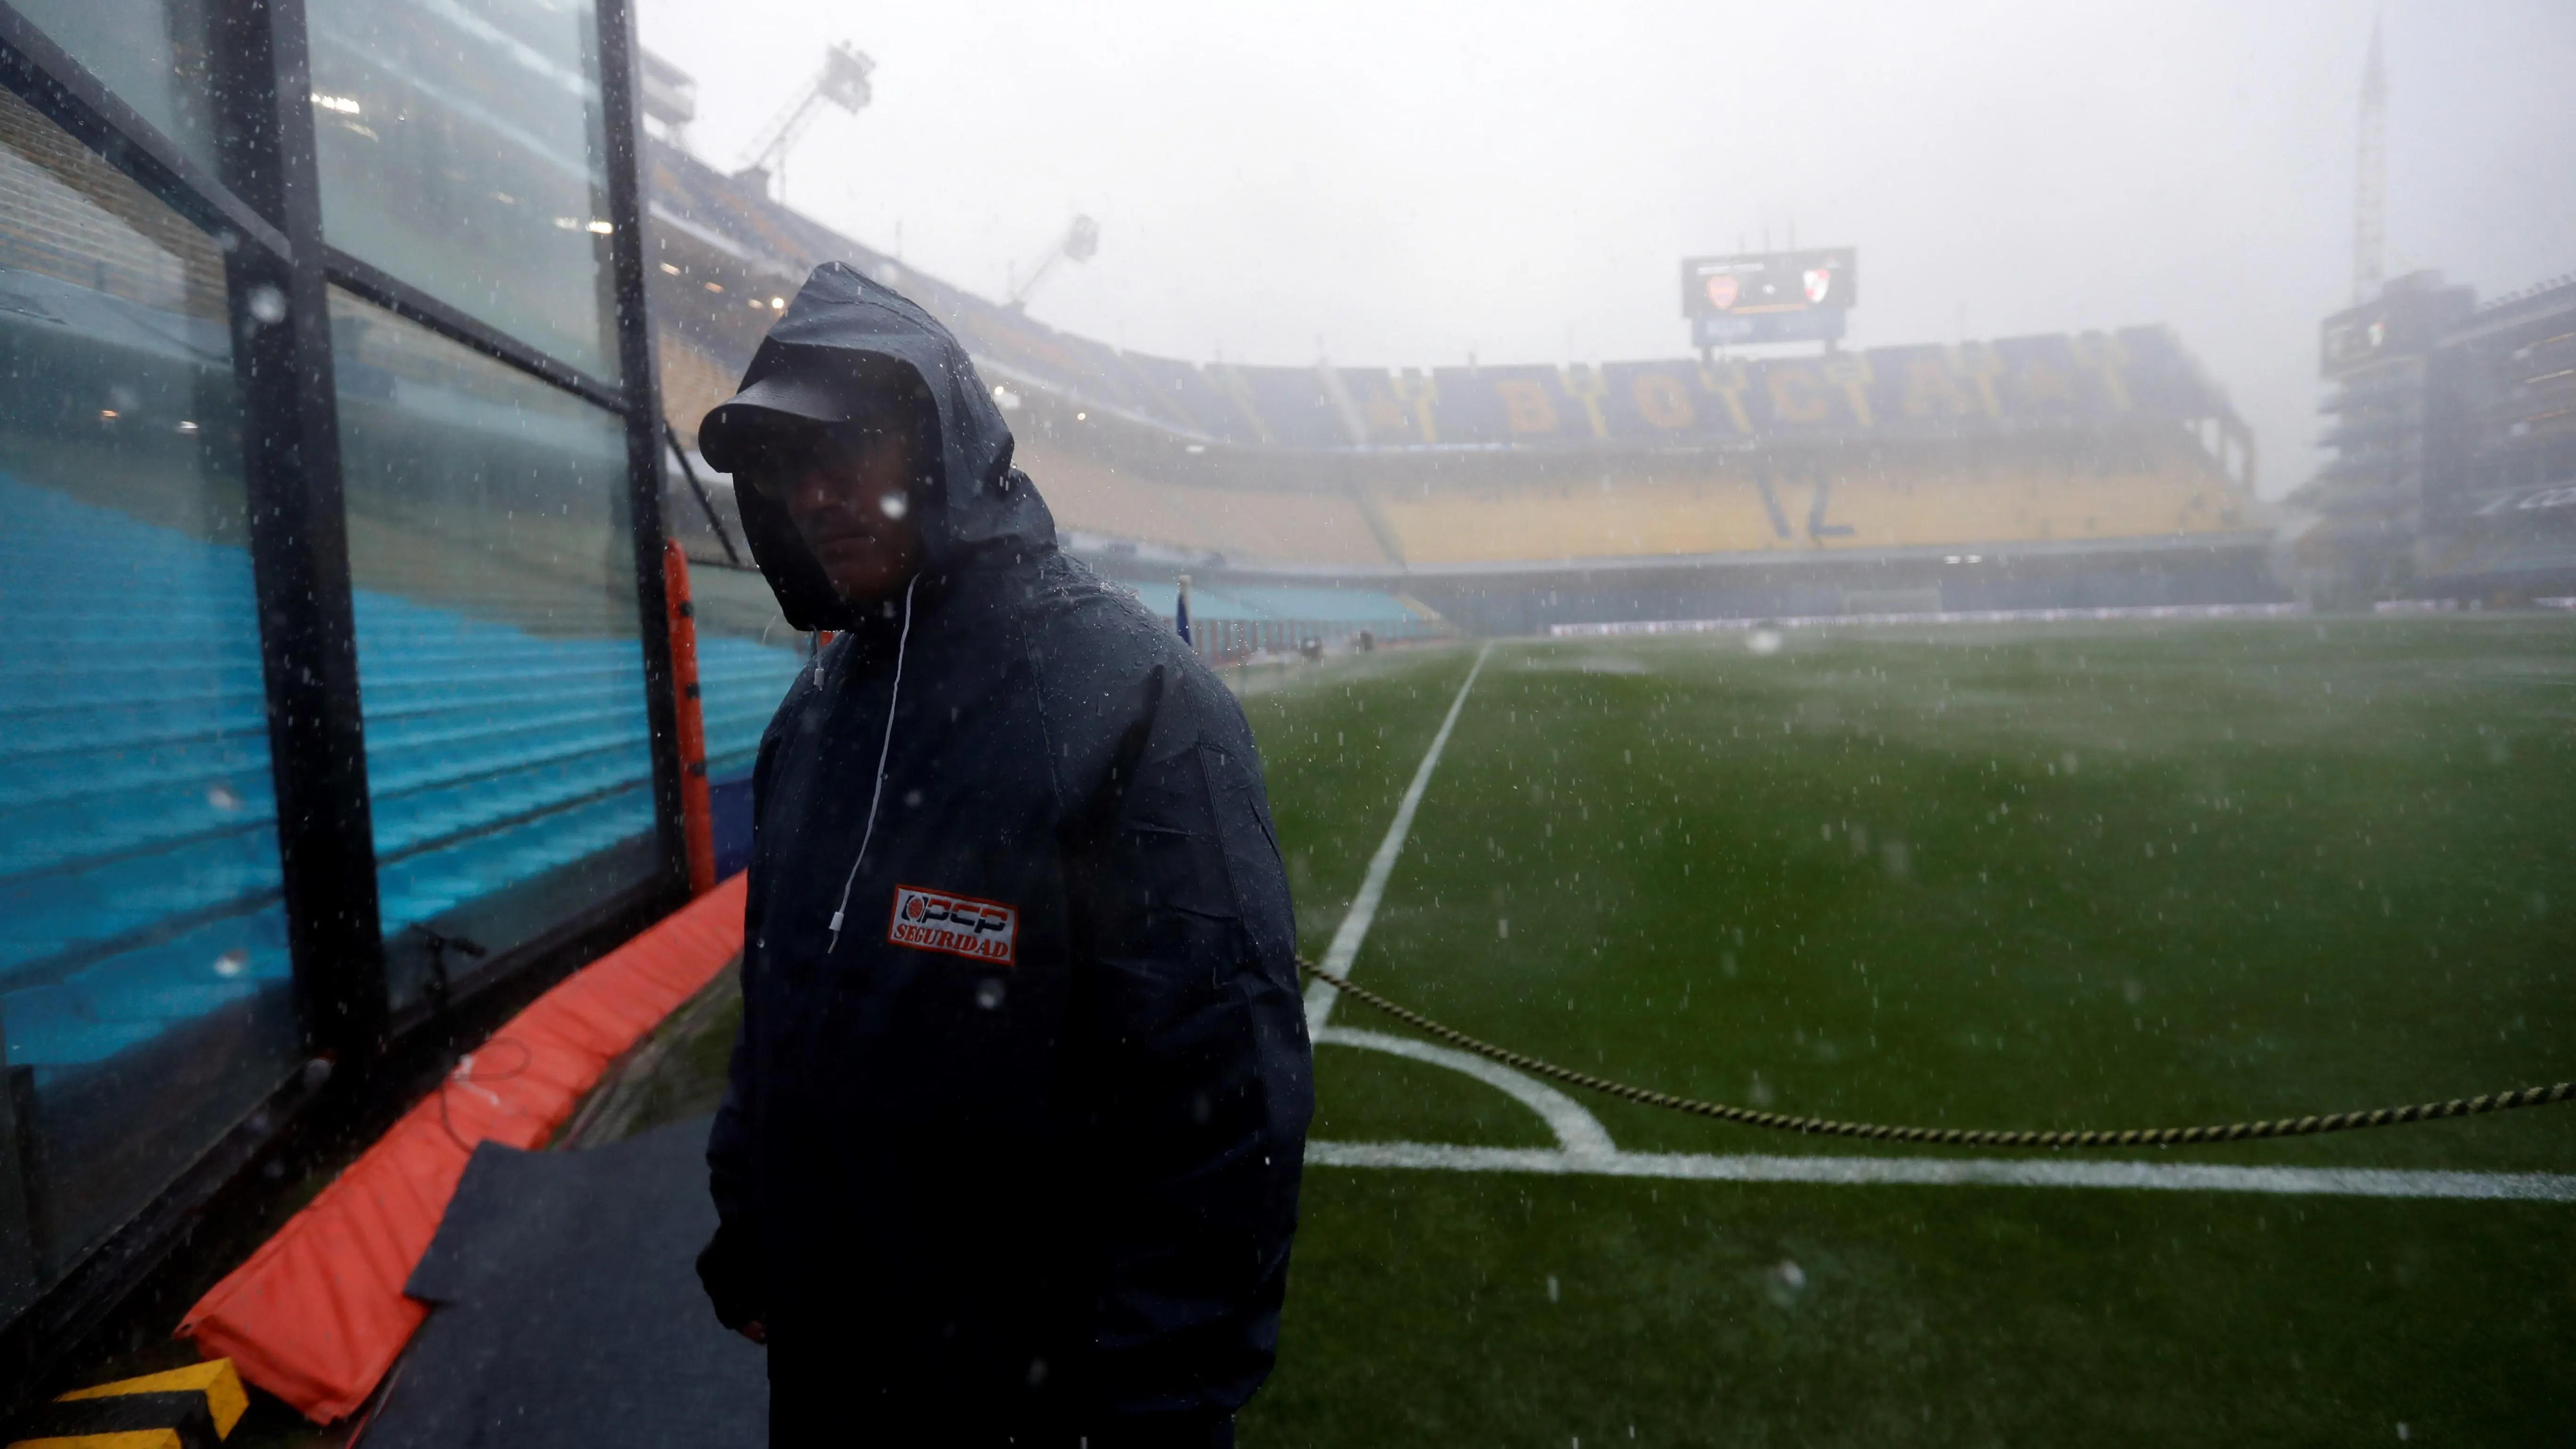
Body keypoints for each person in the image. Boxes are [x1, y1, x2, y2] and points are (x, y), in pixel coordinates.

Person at [691, 263, 1313, 1448]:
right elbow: (774, 1009)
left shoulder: (1136, 699)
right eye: (782, 464)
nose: (815, 492)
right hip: (834, 1376)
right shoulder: (812, 715)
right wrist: (754, 1226)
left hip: (1053, 1403)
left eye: (851, 447)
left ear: (942, 446)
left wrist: (1154, 1401)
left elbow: (1221, 1094)